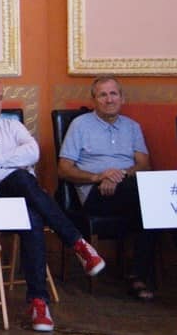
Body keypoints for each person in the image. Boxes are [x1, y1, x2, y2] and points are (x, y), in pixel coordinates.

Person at [0, 73, 105, 332]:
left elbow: (33, 152)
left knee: (31, 215)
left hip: (22, 201)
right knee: (21, 178)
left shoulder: (12, 126)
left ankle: (39, 303)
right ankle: (78, 243)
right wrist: (11, 164)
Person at [58, 76, 156, 300]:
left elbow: (144, 165)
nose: (109, 99)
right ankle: (139, 277)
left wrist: (118, 176)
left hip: (126, 189)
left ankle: (137, 274)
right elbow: (63, 169)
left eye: (113, 94)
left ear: (122, 98)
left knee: (152, 208)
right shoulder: (80, 125)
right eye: (103, 95)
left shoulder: (132, 127)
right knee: (150, 200)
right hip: (95, 193)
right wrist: (99, 177)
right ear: (94, 100)